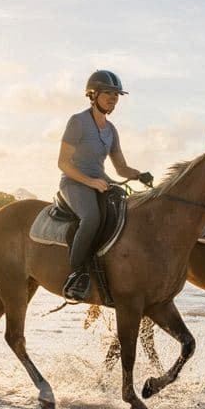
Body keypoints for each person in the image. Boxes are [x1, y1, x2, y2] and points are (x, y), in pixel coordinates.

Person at [57, 70, 153, 301]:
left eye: (116, 95)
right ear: (93, 94)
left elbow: (120, 168)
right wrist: (90, 181)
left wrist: (139, 175)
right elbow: (63, 163)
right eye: (108, 93)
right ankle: (77, 275)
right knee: (92, 218)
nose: (113, 98)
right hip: (74, 183)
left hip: (101, 182)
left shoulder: (111, 130)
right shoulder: (78, 121)